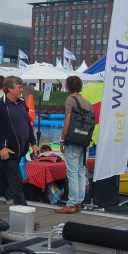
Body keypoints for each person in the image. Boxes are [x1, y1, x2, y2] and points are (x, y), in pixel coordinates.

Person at [0, 76, 39, 219]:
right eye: (19, 86)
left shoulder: (22, 104)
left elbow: (27, 125)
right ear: (10, 88)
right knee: (17, 183)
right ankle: (26, 217)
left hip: (19, 151)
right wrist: (1, 147)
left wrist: (34, 142)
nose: (22, 89)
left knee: (2, 182)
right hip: (7, 152)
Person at [57, 75, 93, 214]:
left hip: (72, 141)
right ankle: (78, 203)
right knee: (81, 173)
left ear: (67, 86)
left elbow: (67, 121)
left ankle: (71, 204)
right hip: (84, 142)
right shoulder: (87, 102)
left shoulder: (70, 100)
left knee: (72, 173)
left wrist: (62, 139)